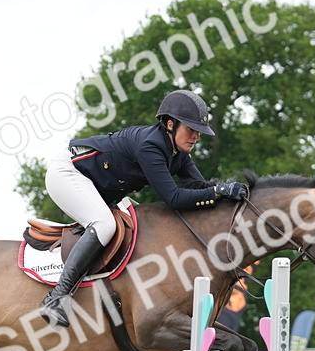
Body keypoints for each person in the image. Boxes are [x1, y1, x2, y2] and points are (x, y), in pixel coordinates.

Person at [39, 89, 248, 327]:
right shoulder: (151, 146)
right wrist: (218, 192)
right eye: (191, 130)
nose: (196, 137)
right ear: (170, 124)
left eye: (198, 132)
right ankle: (56, 297)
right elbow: (175, 198)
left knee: (143, 228)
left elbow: (200, 186)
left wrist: (226, 192)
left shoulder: (177, 153)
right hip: (68, 173)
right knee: (104, 225)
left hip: (98, 186)